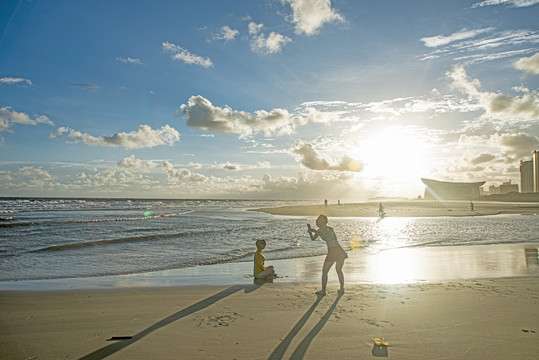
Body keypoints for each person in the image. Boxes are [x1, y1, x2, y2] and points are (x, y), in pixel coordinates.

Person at [307, 215, 348, 295]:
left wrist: (310, 233)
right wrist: (316, 231)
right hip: (339, 249)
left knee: (325, 271)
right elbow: (329, 236)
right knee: (339, 270)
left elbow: (313, 238)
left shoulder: (320, 231)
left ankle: (323, 290)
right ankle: (342, 289)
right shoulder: (330, 229)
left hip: (332, 251)